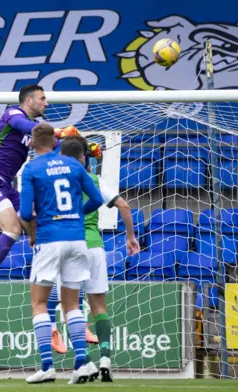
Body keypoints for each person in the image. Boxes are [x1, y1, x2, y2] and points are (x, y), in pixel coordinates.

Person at [49, 136, 141, 382]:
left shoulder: (56, 182)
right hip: (95, 248)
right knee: (99, 307)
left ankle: (85, 360)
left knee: (71, 308)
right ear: (84, 159)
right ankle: (106, 360)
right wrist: (130, 237)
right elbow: (124, 206)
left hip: (68, 246)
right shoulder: (95, 180)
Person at [19, 124, 103, 384]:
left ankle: (47, 366)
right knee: (72, 305)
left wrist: (40, 220)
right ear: (54, 143)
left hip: (49, 238)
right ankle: (81, 363)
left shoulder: (32, 169)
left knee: (39, 304)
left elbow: (24, 214)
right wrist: (77, 213)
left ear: (33, 144)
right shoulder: (76, 166)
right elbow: (97, 199)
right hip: (77, 239)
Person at [0, 84, 48, 307]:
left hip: (6, 185)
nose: (46, 103)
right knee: (12, 229)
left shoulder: (35, 128)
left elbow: (54, 144)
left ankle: (44, 272)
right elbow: (24, 126)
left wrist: (81, 147)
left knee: (35, 219)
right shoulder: (13, 113)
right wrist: (56, 132)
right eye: (42, 98)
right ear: (29, 101)